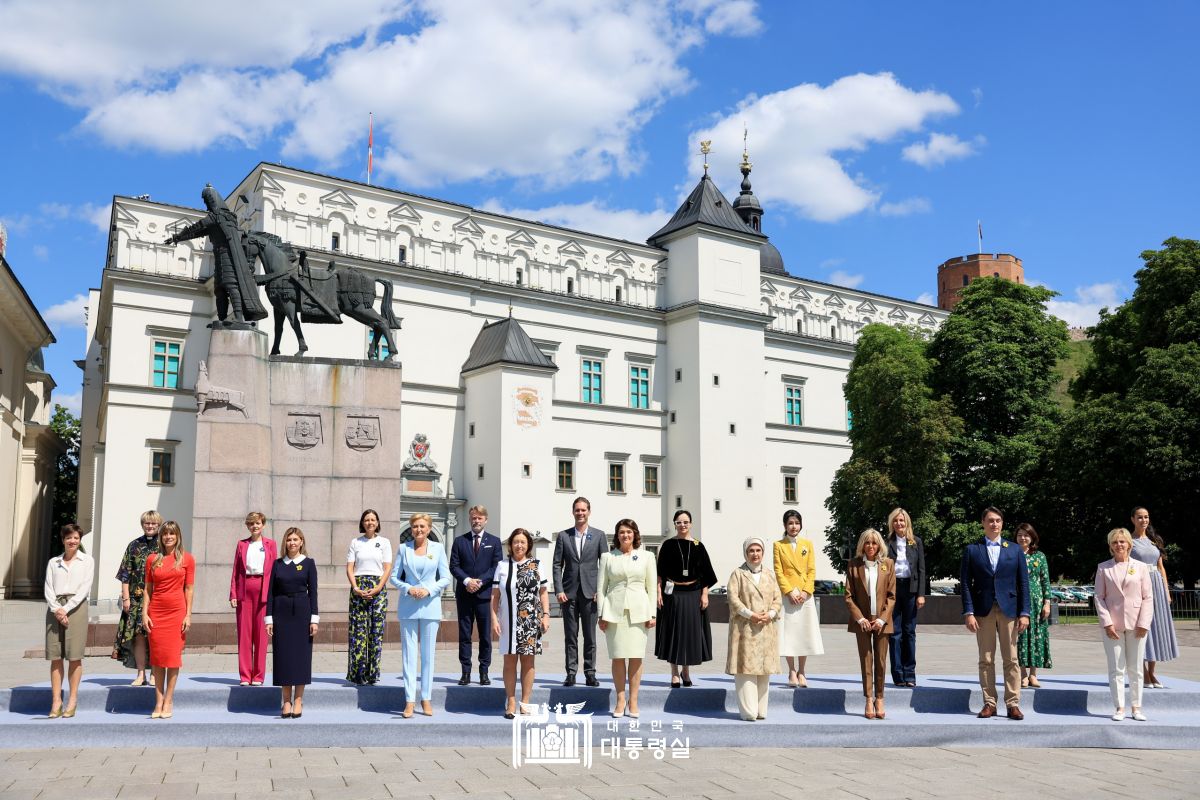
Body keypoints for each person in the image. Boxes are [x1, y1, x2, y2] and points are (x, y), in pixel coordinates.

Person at [960, 507, 1030, 719]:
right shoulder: (973, 550)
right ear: (983, 523)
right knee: (986, 658)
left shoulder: (1014, 549)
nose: (994, 524)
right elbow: (965, 584)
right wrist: (968, 612)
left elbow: (1023, 584)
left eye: (998, 520)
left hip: (1009, 610)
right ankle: (989, 703)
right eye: (990, 520)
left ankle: (1013, 703)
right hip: (983, 611)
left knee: (1012, 659)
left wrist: (1025, 612)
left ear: (1002, 523)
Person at [390, 512, 451, 718]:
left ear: (429, 528)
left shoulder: (438, 548)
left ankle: (426, 698)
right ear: (411, 528)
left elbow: (445, 577)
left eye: (422, 526)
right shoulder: (403, 549)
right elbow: (394, 577)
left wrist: (429, 590)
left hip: (430, 605)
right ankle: (409, 700)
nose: (418, 530)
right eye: (415, 526)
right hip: (408, 605)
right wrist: (408, 589)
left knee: (427, 656)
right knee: (409, 655)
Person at [597, 519, 657, 717]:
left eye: (629, 532)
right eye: (622, 532)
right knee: (618, 657)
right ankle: (620, 699)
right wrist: (601, 614)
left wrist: (652, 613)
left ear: (635, 534)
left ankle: (634, 701)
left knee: (636, 657)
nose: (626, 535)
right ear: (617, 535)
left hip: (639, 612)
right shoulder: (608, 557)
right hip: (614, 613)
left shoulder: (647, 556)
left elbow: (651, 588)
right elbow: (601, 588)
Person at [1094, 528, 1154, 721]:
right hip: (1113, 625)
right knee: (1116, 668)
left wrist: (1144, 623)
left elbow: (1148, 597)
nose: (1119, 545)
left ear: (1129, 544)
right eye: (1115, 542)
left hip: (1137, 624)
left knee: (1136, 669)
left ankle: (1136, 707)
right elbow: (1099, 597)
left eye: (1122, 541)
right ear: (1110, 546)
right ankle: (1119, 707)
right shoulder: (1103, 568)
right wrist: (1107, 623)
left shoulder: (1141, 567)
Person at [655, 509, 718, 687]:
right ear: (674, 524)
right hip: (672, 594)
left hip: (693, 594)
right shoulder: (667, 545)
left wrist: (705, 594)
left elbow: (706, 573)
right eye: (678, 522)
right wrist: (658, 593)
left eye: (685, 522)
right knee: (674, 633)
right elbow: (660, 573)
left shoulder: (699, 545)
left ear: (691, 524)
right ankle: (674, 673)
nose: (682, 525)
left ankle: (686, 671)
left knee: (689, 634)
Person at [492, 528, 550, 719]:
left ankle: (525, 702)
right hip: (507, 619)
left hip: (530, 620)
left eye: (522, 542)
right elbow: (495, 595)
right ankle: (510, 700)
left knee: (528, 661)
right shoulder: (502, 565)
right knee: (509, 661)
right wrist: (494, 618)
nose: (519, 545)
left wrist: (546, 615)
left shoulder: (536, 565)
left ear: (528, 545)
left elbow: (542, 592)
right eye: (516, 542)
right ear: (510, 545)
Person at [142, 521, 195, 720]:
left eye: (172, 534)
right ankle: (158, 700)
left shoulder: (187, 559)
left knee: (172, 658)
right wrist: (144, 613)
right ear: (161, 537)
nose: (168, 537)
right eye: (165, 534)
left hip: (177, 613)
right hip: (156, 612)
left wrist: (188, 615)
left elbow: (189, 589)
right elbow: (148, 589)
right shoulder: (152, 559)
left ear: (177, 536)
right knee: (157, 659)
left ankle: (169, 700)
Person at [725, 537, 782, 721]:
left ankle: (761, 709)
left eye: (758, 550)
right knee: (745, 668)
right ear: (745, 553)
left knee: (764, 670)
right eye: (751, 551)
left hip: (766, 627)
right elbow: (733, 599)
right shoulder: (738, 574)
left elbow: (777, 599)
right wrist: (751, 614)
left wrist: (771, 614)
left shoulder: (770, 574)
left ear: (763, 553)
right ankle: (748, 710)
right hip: (745, 629)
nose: (755, 554)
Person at [266, 527, 319, 719]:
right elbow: (270, 592)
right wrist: (269, 618)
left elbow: (313, 593)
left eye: (296, 539)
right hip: (281, 613)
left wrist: (314, 619)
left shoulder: (308, 564)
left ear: (302, 542)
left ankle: (298, 699)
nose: (292, 543)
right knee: (283, 657)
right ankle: (286, 700)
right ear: (285, 543)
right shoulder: (278, 564)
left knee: (301, 656)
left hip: (302, 613)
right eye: (289, 540)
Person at [552, 496, 604, 687]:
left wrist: (601, 590)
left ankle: (590, 673)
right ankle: (571, 673)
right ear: (573, 512)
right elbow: (557, 564)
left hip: (591, 594)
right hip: (569, 593)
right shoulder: (564, 536)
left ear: (589, 512)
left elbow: (604, 565)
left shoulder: (599, 535)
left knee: (590, 636)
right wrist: (558, 589)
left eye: (583, 510)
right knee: (570, 636)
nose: (580, 513)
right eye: (577, 510)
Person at [845, 528, 896, 719]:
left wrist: (882, 619)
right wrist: (860, 618)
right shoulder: (853, 565)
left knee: (881, 661)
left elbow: (892, 596)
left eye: (874, 543)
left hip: (882, 621)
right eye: (867, 542)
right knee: (866, 660)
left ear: (879, 545)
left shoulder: (888, 564)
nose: (871, 546)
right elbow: (848, 596)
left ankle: (880, 697)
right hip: (862, 621)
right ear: (862, 545)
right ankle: (868, 698)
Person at [449, 504, 502, 686]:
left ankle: (484, 672)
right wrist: (467, 581)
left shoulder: (494, 542)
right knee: (465, 635)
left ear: (485, 520)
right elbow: (454, 566)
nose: (476, 520)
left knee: (485, 636)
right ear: (469, 519)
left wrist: (479, 582)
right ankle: (465, 672)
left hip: (485, 595)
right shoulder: (459, 541)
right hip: (464, 595)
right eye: (473, 517)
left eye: (479, 518)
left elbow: (496, 567)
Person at [44, 523, 93, 718]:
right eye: (69, 538)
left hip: (76, 607)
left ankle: (72, 699)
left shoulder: (87, 561)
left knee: (74, 656)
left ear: (80, 540)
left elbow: (84, 588)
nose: (72, 541)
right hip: (54, 609)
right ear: (63, 540)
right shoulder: (53, 562)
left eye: (76, 538)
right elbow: (48, 588)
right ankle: (56, 700)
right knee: (55, 657)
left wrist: (67, 608)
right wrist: (57, 610)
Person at [772, 509, 824, 687]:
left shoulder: (807, 544)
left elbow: (811, 570)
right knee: (789, 634)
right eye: (790, 523)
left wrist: (806, 591)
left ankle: (802, 671)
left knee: (803, 633)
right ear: (785, 525)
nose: (794, 526)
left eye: (796, 523)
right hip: (788, 596)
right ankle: (791, 671)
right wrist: (789, 591)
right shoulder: (778, 545)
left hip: (804, 595)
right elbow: (778, 571)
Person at [1129, 507, 1178, 687]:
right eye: (1140, 517)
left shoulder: (1154, 541)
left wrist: (1166, 591)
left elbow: (1161, 567)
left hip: (1157, 586)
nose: (1144, 520)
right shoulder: (1129, 542)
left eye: (1146, 517)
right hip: (1139, 587)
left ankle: (1152, 672)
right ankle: (1142, 672)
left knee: (1156, 627)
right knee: (1142, 628)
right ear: (1133, 519)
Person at [114, 510, 162, 686]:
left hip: (158, 598)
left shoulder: (164, 546)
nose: (150, 526)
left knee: (155, 636)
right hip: (135, 599)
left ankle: (155, 674)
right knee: (139, 637)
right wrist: (126, 599)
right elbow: (125, 574)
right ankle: (141, 673)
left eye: (153, 523)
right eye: (147, 523)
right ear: (142, 525)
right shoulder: (133, 545)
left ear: (159, 525)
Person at [345, 509, 392, 685]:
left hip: (378, 587)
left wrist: (378, 587)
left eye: (373, 519)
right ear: (362, 523)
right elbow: (350, 567)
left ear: (378, 523)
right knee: (358, 632)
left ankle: (372, 674)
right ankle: (357, 674)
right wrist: (355, 587)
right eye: (367, 520)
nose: (370, 522)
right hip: (358, 587)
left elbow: (387, 567)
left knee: (375, 631)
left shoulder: (384, 542)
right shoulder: (355, 542)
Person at [229, 511, 277, 686]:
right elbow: (236, 571)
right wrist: (233, 594)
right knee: (244, 635)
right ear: (247, 526)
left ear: (263, 525)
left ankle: (258, 676)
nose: (254, 526)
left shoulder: (271, 544)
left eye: (257, 523)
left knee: (261, 635)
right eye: (251, 524)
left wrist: (274, 595)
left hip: (263, 590)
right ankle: (244, 675)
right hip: (245, 590)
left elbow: (273, 572)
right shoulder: (242, 545)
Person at [885, 507, 926, 688]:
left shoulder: (915, 542)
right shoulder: (886, 542)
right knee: (895, 634)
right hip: (893, 590)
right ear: (891, 523)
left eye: (901, 520)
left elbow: (922, 570)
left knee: (909, 632)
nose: (899, 523)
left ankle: (910, 674)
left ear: (907, 522)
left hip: (911, 589)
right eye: (895, 521)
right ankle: (898, 675)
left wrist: (921, 594)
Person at [1015, 522, 1052, 687]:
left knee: (1037, 636)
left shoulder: (1039, 556)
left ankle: (1033, 674)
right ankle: (1022, 674)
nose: (1023, 538)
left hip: (1037, 603)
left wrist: (1047, 603)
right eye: (1020, 535)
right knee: (1021, 637)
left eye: (1026, 535)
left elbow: (1045, 581)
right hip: (1018, 602)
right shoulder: (1012, 554)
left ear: (1032, 537)